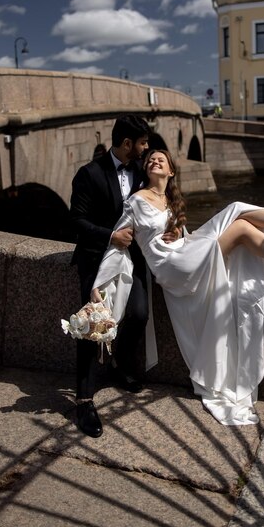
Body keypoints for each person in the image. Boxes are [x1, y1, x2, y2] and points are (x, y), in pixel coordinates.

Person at [90, 149, 264, 427]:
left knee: (240, 216)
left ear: (171, 172)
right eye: (150, 158)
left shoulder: (170, 202)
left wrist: (179, 231)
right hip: (173, 268)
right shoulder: (135, 201)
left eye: (161, 158)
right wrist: (98, 284)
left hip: (187, 251)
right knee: (240, 226)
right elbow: (118, 243)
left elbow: (175, 237)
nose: (154, 160)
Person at [70, 115, 174, 438]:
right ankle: (84, 400)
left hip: (133, 260)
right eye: (143, 143)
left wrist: (170, 233)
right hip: (97, 257)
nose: (147, 148)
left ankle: (118, 365)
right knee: (92, 323)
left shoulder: (140, 172)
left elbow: (156, 209)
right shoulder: (89, 174)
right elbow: (76, 223)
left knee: (140, 314)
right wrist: (109, 237)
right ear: (127, 144)